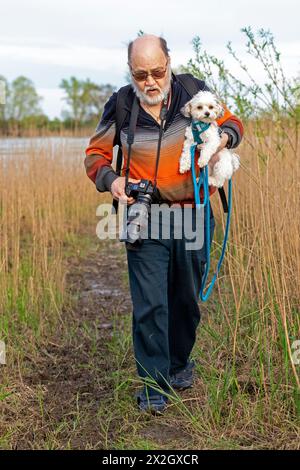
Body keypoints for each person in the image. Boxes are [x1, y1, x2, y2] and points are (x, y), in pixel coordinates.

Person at [84, 34, 243, 413]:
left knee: (186, 301)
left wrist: (222, 138)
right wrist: (113, 180)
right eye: (141, 74)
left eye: (157, 71)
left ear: (169, 63)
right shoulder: (121, 104)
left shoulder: (193, 91)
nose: (150, 81)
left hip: (193, 213)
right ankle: (154, 386)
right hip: (144, 216)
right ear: (131, 73)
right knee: (150, 304)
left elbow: (233, 122)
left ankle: (178, 365)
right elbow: (94, 155)